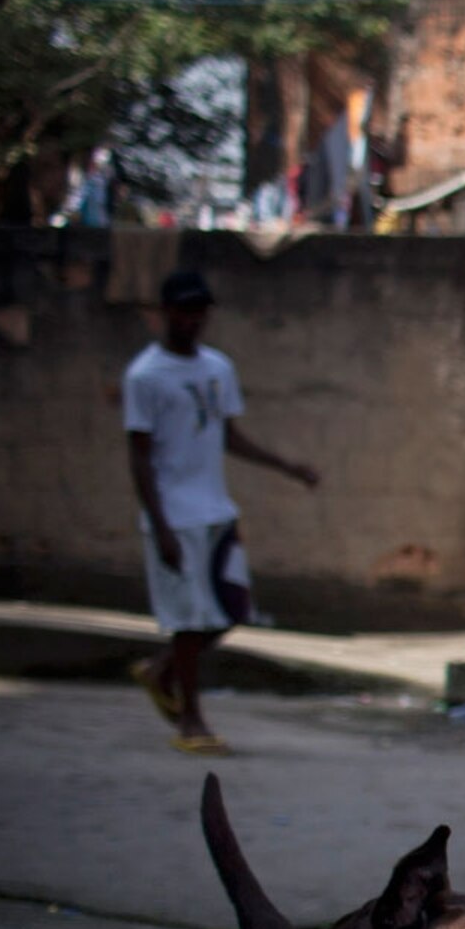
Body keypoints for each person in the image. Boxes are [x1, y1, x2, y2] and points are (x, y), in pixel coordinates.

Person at [124, 270, 318, 755]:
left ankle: (160, 670)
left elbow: (227, 434)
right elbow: (139, 455)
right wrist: (161, 525)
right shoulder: (145, 377)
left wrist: (287, 467)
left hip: (216, 510)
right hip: (175, 516)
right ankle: (190, 718)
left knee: (231, 608)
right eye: (184, 311)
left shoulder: (217, 368)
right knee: (190, 621)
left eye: (200, 312)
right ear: (165, 314)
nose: (193, 321)